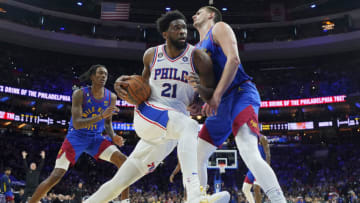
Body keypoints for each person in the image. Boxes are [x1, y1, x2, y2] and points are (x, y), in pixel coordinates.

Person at [83, 10, 230, 203]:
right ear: (165, 34)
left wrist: (199, 92)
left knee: (120, 180)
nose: (182, 31)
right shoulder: (152, 54)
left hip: (171, 128)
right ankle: (196, 195)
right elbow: (139, 88)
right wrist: (123, 84)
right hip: (149, 113)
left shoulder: (198, 57)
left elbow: (210, 95)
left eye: (184, 27)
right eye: (176, 28)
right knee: (191, 126)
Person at [190, 6, 286, 202]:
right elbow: (203, 83)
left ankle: (279, 200)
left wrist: (215, 95)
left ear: (211, 15)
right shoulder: (195, 49)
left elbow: (233, 60)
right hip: (221, 103)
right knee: (196, 156)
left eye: (199, 12)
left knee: (248, 151)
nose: (194, 15)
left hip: (240, 93)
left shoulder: (218, 28)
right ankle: (200, 197)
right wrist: (196, 102)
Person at [28, 65, 129, 203]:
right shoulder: (80, 94)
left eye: (105, 74)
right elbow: (77, 123)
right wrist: (100, 115)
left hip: (95, 139)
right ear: (92, 76)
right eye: (100, 73)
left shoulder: (111, 96)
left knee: (123, 161)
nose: (103, 76)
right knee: (56, 176)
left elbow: (107, 123)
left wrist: (113, 136)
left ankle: (125, 201)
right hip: (76, 138)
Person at [242, 135, 270, 203]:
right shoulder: (250, 139)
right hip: (252, 168)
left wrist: (267, 167)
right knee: (245, 189)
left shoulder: (263, 138)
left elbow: (268, 154)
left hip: (261, 167)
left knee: (256, 188)